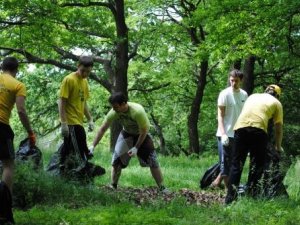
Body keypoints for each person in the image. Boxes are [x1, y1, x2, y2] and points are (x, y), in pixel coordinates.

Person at [90, 92, 168, 192]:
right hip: (126, 134)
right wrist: (93, 146)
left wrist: (136, 147)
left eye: (116, 107)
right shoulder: (114, 112)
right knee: (116, 161)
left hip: (142, 135)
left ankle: (162, 187)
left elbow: (144, 131)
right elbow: (103, 128)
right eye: (113, 107)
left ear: (123, 104)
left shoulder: (137, 111)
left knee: (152, 161)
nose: (114, 109)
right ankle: (113, 186)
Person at [225, 84, 283, 204]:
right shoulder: (277, 103)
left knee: (236, 165)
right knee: (256, 166)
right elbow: (278, 128)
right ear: (277, 95)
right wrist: (278, 146)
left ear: (266, 90)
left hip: (240, 129)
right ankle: (252, 197)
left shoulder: (253, 96)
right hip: (258, 131)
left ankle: (229, 200)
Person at [0, 56, 35, 223]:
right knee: (8, 165)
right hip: (1, 127)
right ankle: (4, 210)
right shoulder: (18, 85)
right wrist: (30, 132)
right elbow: (21, 111)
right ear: (16, 69)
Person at [211, 69, 248, 189]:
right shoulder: (224, 94)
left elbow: (245, 115)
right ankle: (229, 191)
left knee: (235, 162)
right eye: (231, 80)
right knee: (225, 162)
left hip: (239, 133)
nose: (233, 83)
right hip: (226, 133)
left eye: (236, 81)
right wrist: (223, 134)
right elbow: (220, 116)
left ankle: (216, 183)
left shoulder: (244, 95)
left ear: (241, 81)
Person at [58, 56, 94, 169]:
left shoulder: (85, 82)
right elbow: (61, 102)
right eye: (83, 70)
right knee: (80, 148)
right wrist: (64, 123)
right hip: (70, 122)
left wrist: (90, 119)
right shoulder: (69, 80)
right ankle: (83, 169)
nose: (85, 74)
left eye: (88, 72)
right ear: (78, 66)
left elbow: (83, 103)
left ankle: (65, 168)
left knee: (74, 147)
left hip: (78, 121)